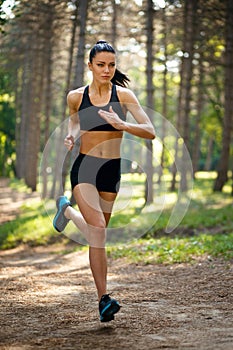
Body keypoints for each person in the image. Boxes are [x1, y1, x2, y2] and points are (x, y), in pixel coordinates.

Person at [53, 40, 155, 323]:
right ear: (90, 66)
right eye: (101, 65)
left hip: (111, 171)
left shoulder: (124, 97)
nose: (107, 70)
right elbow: (74, 121)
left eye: (111, 65)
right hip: (85, 167)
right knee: (97, 229)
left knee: (98, 235)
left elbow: (150, 130)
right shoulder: (76, 96)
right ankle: (103, 300)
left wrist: (124, 125)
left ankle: (67, 211)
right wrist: (72, 135)